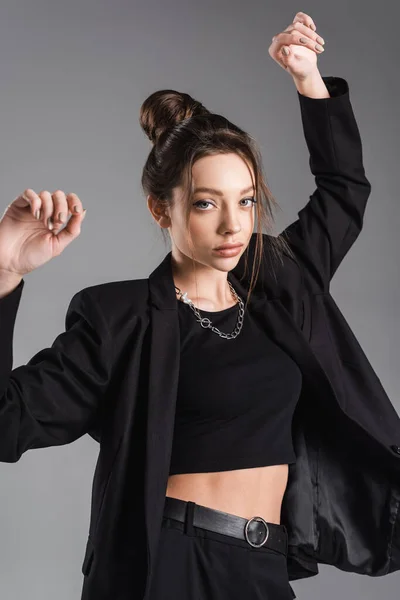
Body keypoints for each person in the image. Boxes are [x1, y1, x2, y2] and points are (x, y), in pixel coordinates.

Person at [1, 10, 399, 600]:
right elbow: (6, 424)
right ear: (164, 210)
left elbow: (344, 190)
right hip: (173, 565)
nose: (235, 225)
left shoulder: (280, 279)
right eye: (208, 204)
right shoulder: (121, 318)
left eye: (246, 199)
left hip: (265, 563)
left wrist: (309, 80)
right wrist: (5, 271)